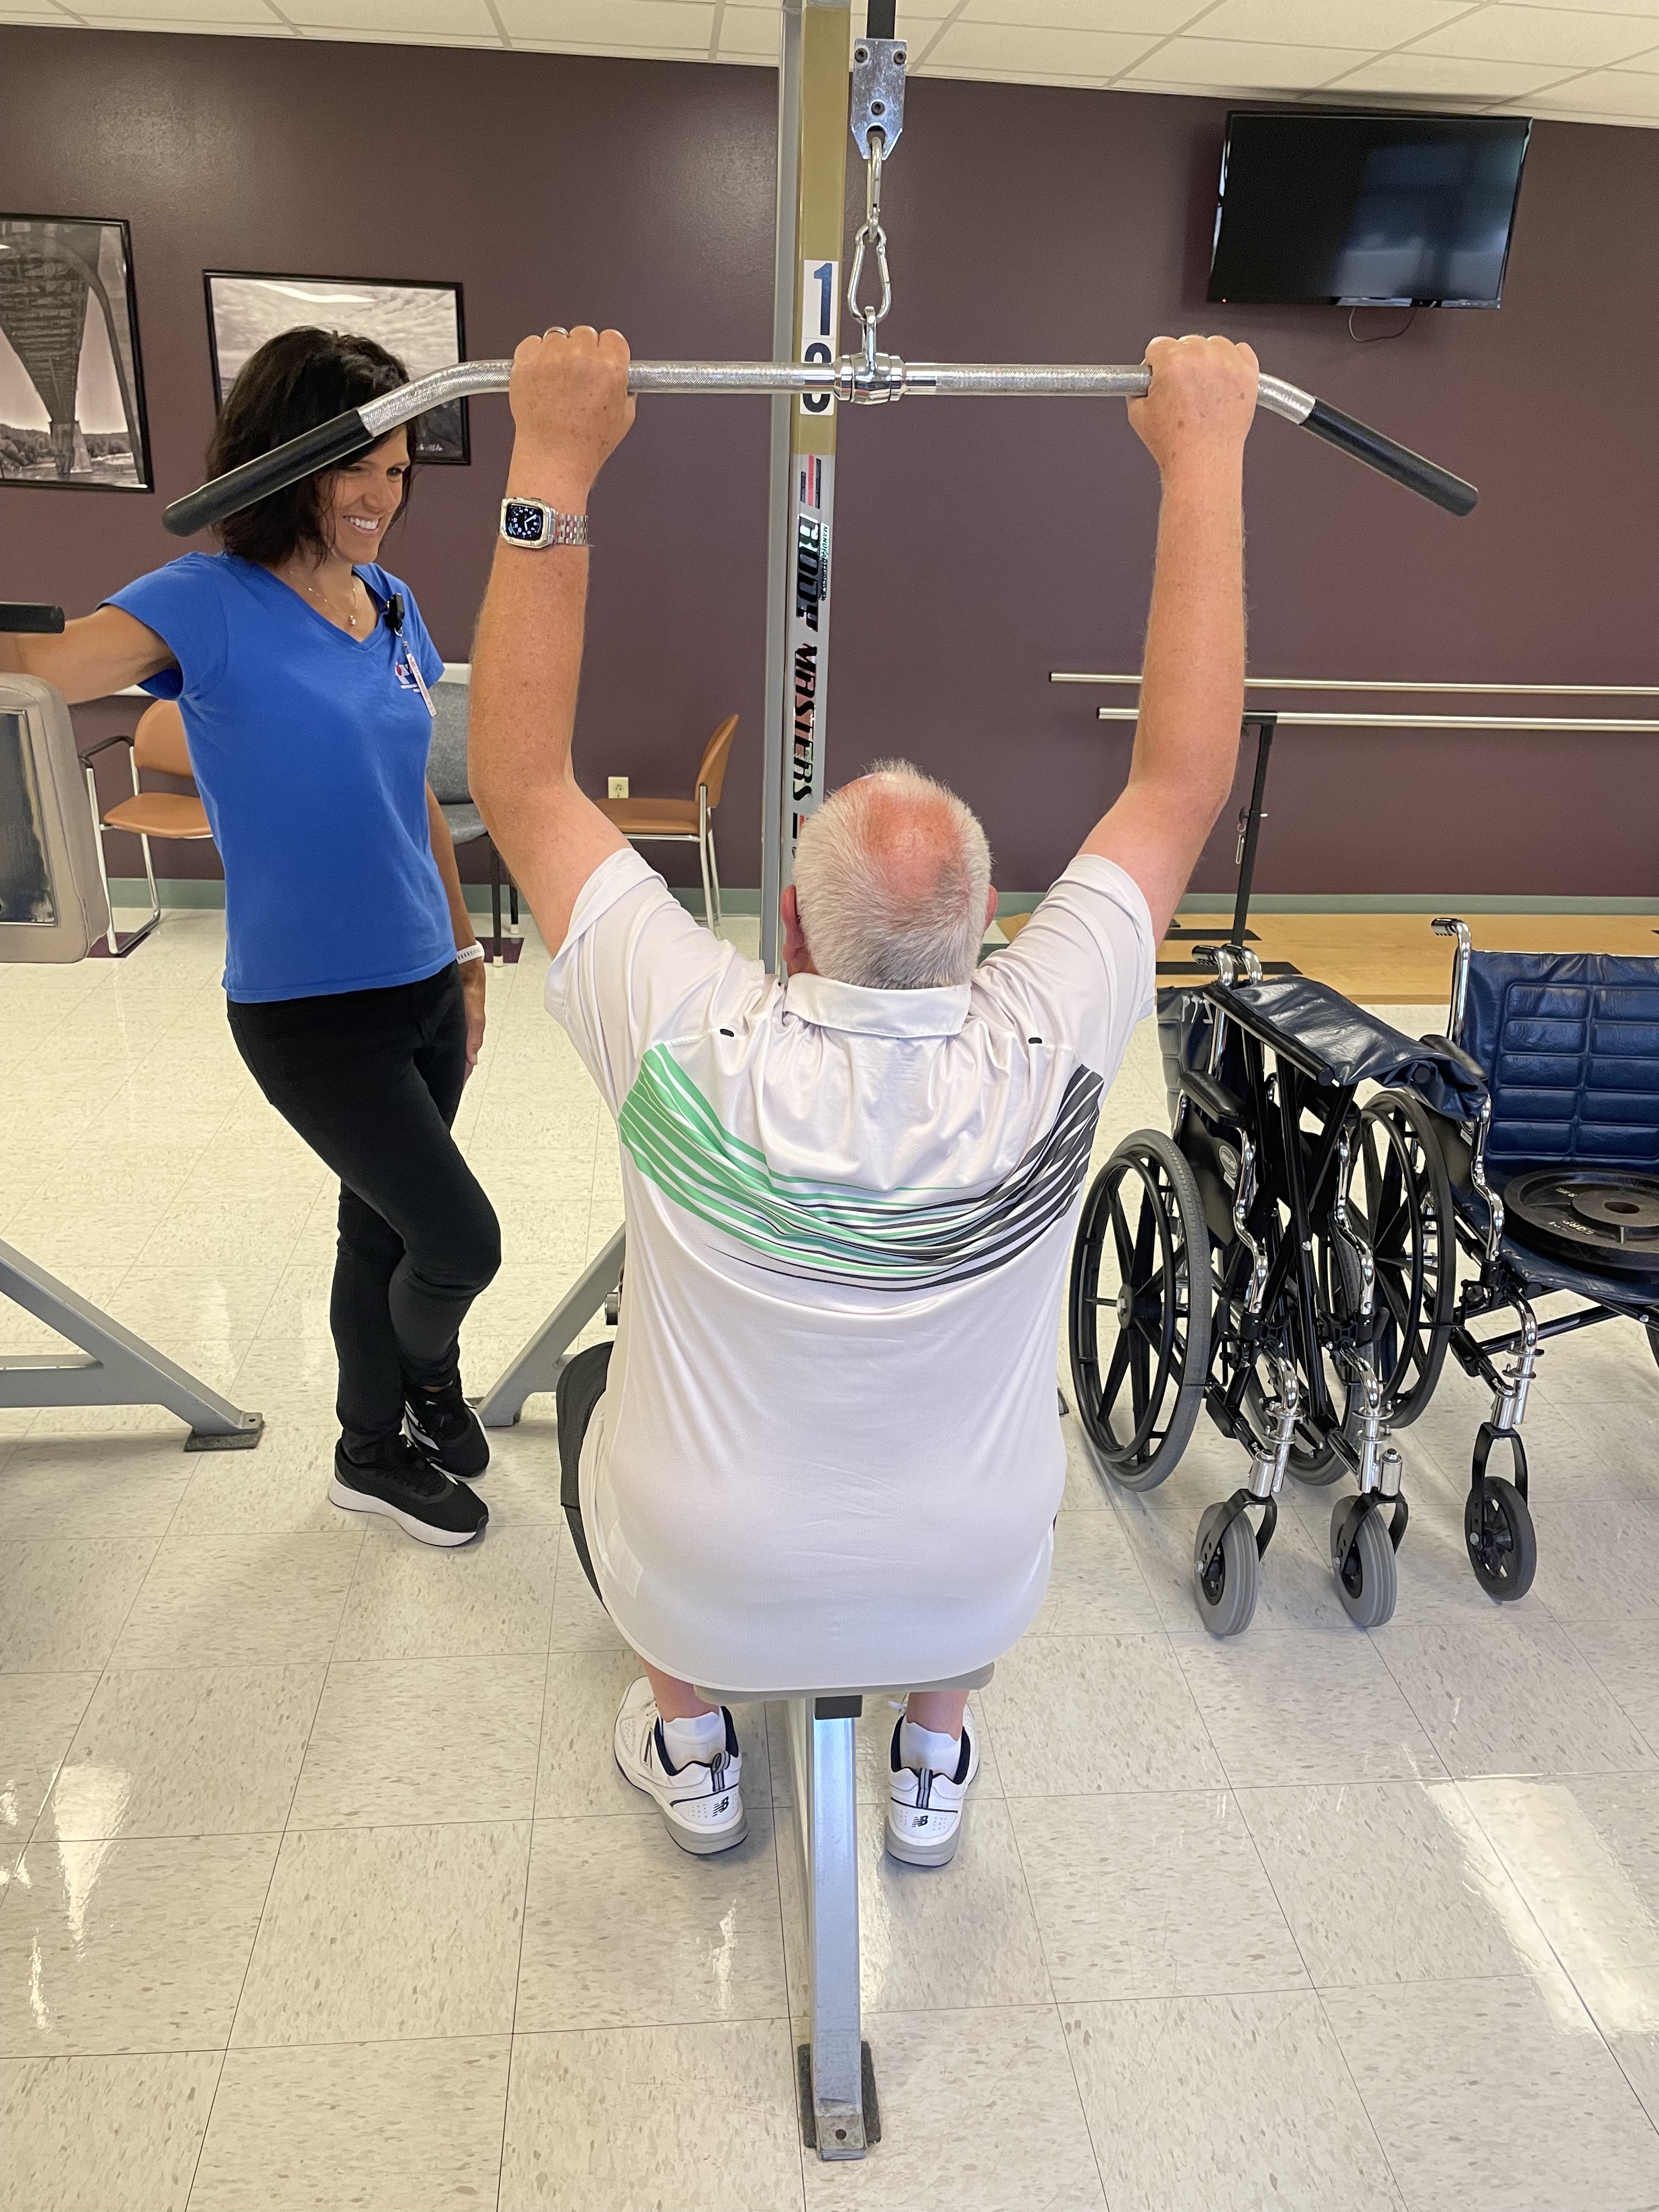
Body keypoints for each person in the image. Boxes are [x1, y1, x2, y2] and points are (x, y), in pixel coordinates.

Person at [467, 323, 1254, 1861]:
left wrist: (552, 458)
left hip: (709, 1578)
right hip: (975, 1585)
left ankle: (694, 1750)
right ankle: (933, 1759)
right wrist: (1207, 461)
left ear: (801, 933)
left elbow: (520, 784)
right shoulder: (1051, 1036)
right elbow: (1179, 784)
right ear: (991, 927)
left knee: (591, 1401)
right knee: (953, 1475)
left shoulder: (694, 1039)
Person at [0, 328, 500, 1548]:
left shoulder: (390, 604)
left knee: (376, 1226)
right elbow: (46, 670)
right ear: (289, 466)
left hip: (425, 984)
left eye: (398, 471)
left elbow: (416, 795)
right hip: (307, 1012)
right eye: (358, 472)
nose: (384, 499)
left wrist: (469, 956)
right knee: (458, 1241)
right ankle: (424, 1384)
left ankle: (370, 1448)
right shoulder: (202, 604)